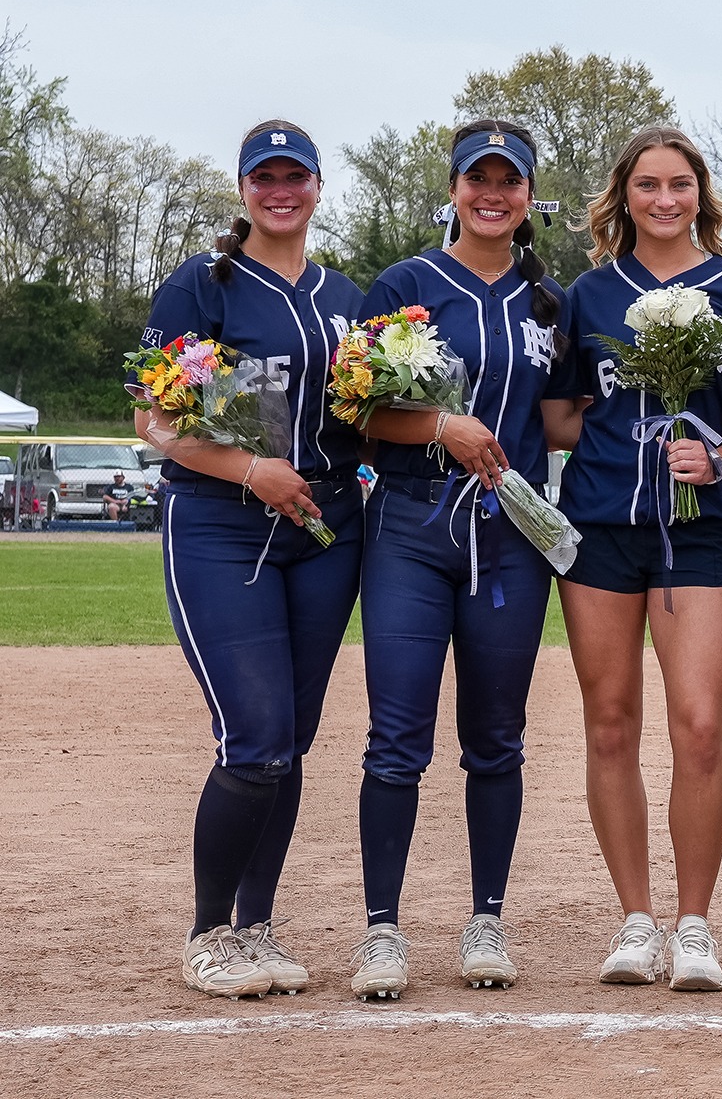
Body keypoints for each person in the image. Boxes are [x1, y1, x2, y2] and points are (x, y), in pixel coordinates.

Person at [346, 120, 570, 1000]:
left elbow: (562, 420)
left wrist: (672, 415)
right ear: (452, 189)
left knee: (496, 738)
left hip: (509, 537)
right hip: (408, 525)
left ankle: (486, 918)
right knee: (396, 738)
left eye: (508, 180)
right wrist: (440, 424)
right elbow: (352, 413)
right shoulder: (405, 286)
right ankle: (382, 930)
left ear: (526, 196)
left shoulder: (551, 300)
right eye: (477, 178)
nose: (492, 193)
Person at [141, 121, 365, 998]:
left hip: (324, 529)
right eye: (263, 176)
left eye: (295, 175)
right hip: (220, 522)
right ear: (243, 188)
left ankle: (257, 924)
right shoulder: (204, 282)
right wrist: (246, 467)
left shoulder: (344, 295)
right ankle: (207, 933)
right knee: (256, 735)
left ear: (316, 185)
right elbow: (153, 418)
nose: (281, 189)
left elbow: (363, 411)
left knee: (292, 740)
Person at [551, 126, 722, 990]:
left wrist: (717, 456)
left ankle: (695, 926)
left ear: (701, 193)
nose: (665, 199)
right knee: (610, 721)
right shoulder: (589, 294)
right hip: (601, 527)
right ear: (625, 194)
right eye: (648, 184)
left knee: (701, 725)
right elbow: (561, 415)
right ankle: (636, 919)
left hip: (700, 531)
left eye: (680, 184)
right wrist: (624, 444)